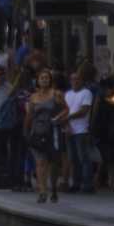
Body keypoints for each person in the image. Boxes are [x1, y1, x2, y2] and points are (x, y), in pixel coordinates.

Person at [24, 68, 68, 204]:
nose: (44, 80)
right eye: (42, 78)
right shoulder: (33, 97)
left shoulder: (56, 94)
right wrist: (26, 130)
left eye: (46, 78)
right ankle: (42, 190)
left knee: (53, 163)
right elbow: (29, 115)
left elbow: (66, 109)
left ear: (50, 80)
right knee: (40, 162)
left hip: (52, 132)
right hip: (37, 132)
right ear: (37, 80)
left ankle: (53, 187)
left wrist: (58, 118)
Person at [63, 70, 96, 192]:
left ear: (82, 80)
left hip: (82, 130)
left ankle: (87, 184)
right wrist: (66, 124)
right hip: (69, 130)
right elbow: (64, 111)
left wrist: (69, 117)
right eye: (72, 79)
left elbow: (84, 110)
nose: (74, 81)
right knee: (73, 158)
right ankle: (76, 183)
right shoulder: (67, 94)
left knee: (84, 158)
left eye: (77, 79)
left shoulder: (86, 93)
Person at [91, 76, 114, 192]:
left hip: (105, 131)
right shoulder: (113, 99)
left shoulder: (102, 97)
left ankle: (104, 180)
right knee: (110, 158)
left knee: (106, 158)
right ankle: (109, 181)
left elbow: (95, 115)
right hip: (108, 131)